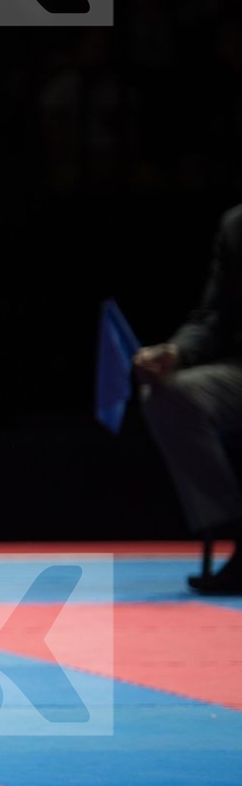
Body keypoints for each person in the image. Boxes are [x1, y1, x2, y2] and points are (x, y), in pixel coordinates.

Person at [134, 202, 242, 595]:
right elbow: (213, 318)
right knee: (171, 396)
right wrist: (174, 353)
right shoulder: (237, 225)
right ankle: (232, 525)